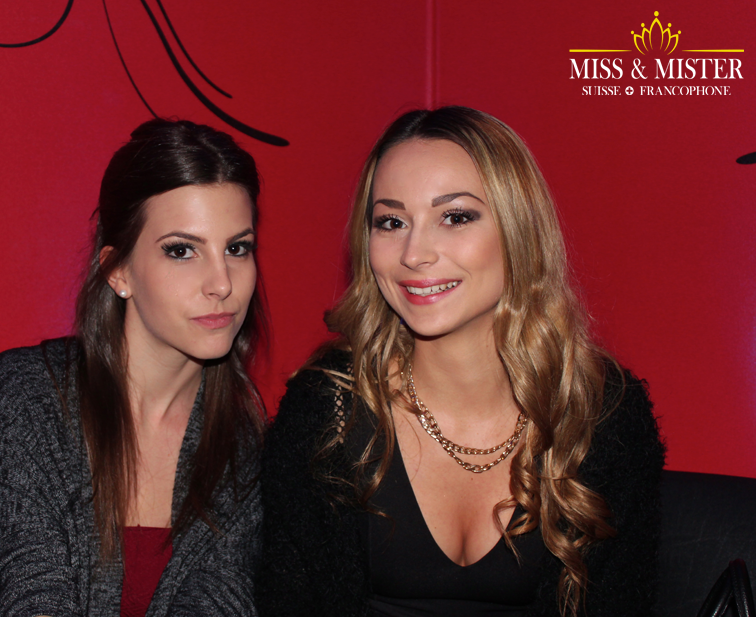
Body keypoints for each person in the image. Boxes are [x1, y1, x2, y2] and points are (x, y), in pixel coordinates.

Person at [257, 106, 665, 617]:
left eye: (454, 217)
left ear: (518, 230)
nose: (414, 253)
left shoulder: (601, 413)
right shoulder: (327, 410)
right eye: (391, 222)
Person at [0, 119, 267, 617]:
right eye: (182, 251)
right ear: (118, 270)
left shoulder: (240, 434)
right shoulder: (26, 398)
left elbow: (219, 601)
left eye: (236, 248)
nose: (221, 283)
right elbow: (34, 598)